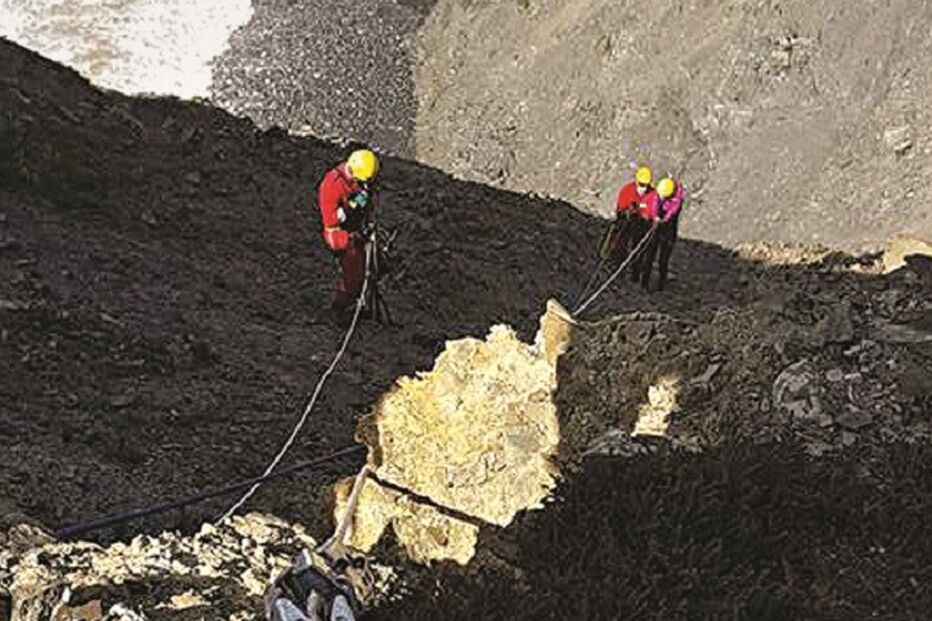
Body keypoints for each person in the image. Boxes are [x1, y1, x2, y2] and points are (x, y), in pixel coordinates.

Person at [317, 148, 380, 315]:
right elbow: (332, 227)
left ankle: (360, 300)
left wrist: (361, 202)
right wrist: (351, 234)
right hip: (342, 235)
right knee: (355, 278)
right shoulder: (331, 186)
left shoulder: (359, 177)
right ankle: (340, 308)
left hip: (356, 227)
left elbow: (364, 195)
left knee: (377, 265)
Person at [636, 176, 686, 291]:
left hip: (669, 230)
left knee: (663, 260)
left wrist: (663, 220)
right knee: (650, 255)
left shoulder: (676, 200)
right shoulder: (658, 193)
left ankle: (661, 286)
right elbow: (654, 203)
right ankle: (644, 283)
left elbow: (672, 212)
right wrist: (655, 217)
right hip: (656, 228)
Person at [600, 166, 654, 265]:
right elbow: (621, 208)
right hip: (626, 222)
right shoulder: (628, 190)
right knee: (619, 239)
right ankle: (612, 258)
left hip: (642, 225)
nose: (644, 188)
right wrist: (629, 211)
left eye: (646, 185)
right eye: (642, 184)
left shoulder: (652, 194)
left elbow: (652, 209)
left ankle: (635, 264)